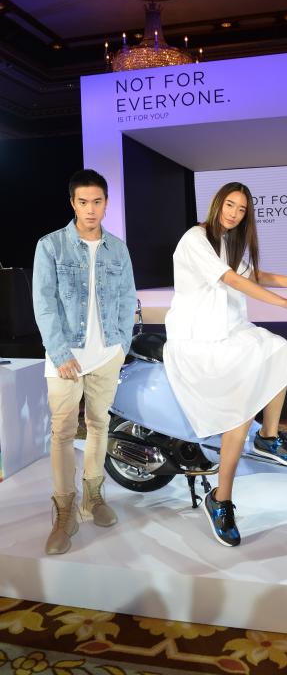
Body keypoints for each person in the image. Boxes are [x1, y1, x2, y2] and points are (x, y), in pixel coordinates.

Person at [164, 182, 287, 547]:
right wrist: (284, 304)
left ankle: (269, 437)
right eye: (230, 205)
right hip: (200, 339)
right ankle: (220, 499)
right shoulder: (196, 238)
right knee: (239, 415)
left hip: (231, 330)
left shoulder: (232, 241)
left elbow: (254, 275)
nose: (234, 213)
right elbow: (231, 279)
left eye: (241, 209)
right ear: (217, 204)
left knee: (279, 350)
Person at [33, 169, 137, 555]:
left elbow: (127, 298)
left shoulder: (118, 249)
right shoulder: (51, 246)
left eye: (97, 202)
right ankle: (64, 512)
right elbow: (43, 303)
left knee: (98, 424)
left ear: (106, 204)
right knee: (62, 432)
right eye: (83, 202)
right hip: (66, 356)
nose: (90, 209)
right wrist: (60, 353)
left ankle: (93, 497)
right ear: (72, 203)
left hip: (106, 354)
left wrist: (121, 345)